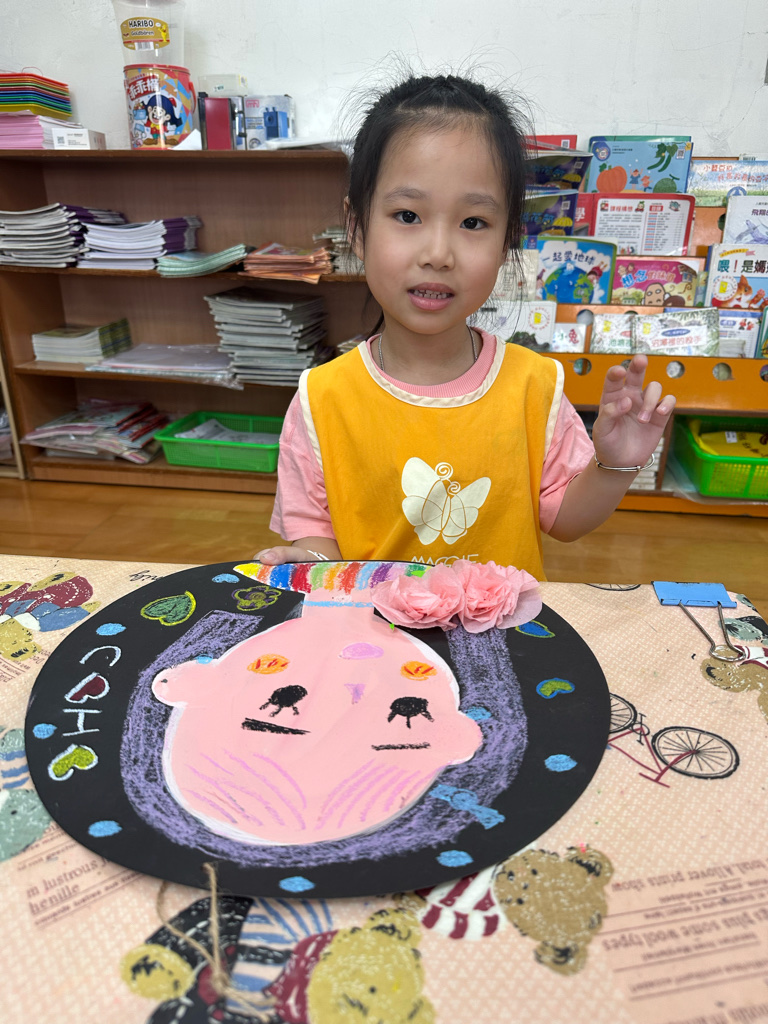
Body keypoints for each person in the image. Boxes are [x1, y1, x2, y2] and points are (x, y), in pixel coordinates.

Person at [257, 74, 675, 578]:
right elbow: (319, 543)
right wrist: (311, 562)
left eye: (473, 223)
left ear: (506, 240)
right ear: (357, 229)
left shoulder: (534, 386)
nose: (438, 254)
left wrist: (614, 466)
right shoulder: (321, 399)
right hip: (373, 625)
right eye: (407, 215)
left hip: (502, 624)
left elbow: (565, 521)